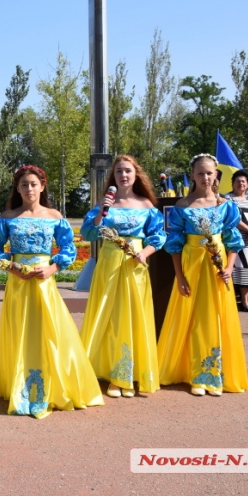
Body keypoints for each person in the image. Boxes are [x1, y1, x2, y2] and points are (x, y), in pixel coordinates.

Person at [0, 166, 104, 418]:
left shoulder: (54, 216)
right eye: (23, 185)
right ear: (17, 188)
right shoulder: (7, 217)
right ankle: (20, 388)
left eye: (33, 184)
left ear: (42, 186)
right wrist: (12, 267)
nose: (29, 189)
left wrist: (52, 268)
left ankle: (52, 386)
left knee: (49, 331)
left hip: (44, 283)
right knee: (20, 330)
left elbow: (68, 249)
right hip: (18, 284)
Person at [157, 154, 248, 396]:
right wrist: (179, 276)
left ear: (216, 175)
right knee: (193, 318)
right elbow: (174, 245)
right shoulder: (182, 206)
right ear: (193, 176)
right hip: (191, 265)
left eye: (209, 173)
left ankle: (214, 373)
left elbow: (233, 241)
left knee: (215, 317)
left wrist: (229, 268)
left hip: (216, 269)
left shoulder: (226, 205)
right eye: (200, 173)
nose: (205, 177)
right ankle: (197, 375)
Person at [79, 155, 165, 398]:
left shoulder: (147, 205)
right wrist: (101, 211)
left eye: (127, 171)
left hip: (134, 267)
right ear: (113, 177)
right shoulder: (104, 204)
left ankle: (132, 374)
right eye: (119, 172)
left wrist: (144, 252)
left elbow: (158, 236)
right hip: (109, 266)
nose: (123, 175)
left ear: (136, 174)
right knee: (112, 318)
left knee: (134, 318)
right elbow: (88, 233)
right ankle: (114, 375)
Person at [227, 171, 248, 312]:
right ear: (232, 183)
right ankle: (230, 302)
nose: (241, 184)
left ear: (247, 184)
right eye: (238, 181)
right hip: (234, 238)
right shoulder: (228, 199)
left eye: (243, 181)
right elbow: (232, 218)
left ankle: (245, 302)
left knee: (246, 271)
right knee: (231, 269)